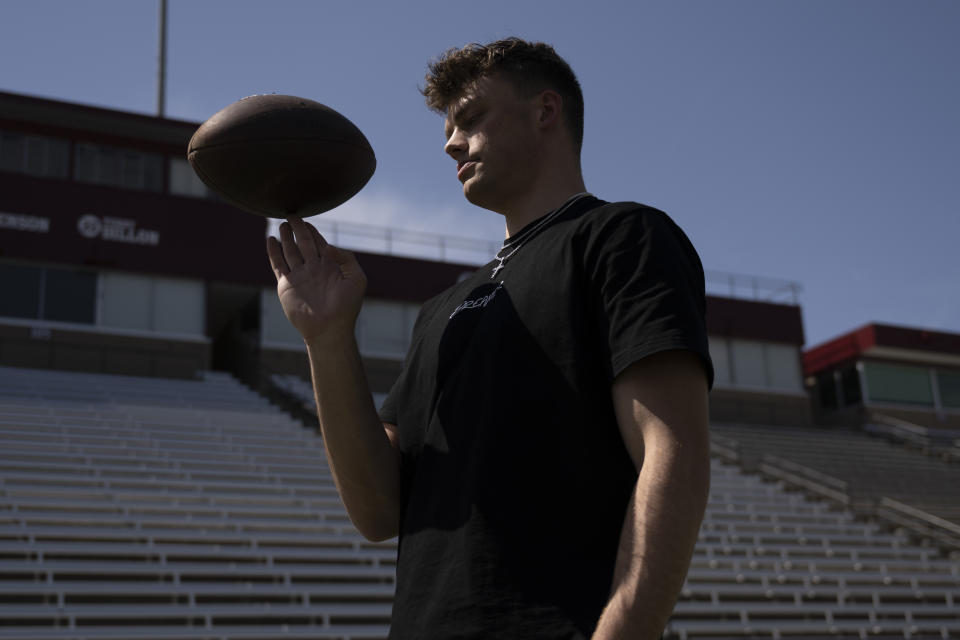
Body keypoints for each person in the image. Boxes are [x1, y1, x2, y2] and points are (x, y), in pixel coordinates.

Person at [266, 37, 713, 640]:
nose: (451, 143)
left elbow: (673, 451)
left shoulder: (621, 237)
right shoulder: (440, 308)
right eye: (448, 129)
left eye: (471, 117)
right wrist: (326, 338)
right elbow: (377, 511)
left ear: (545, 112)